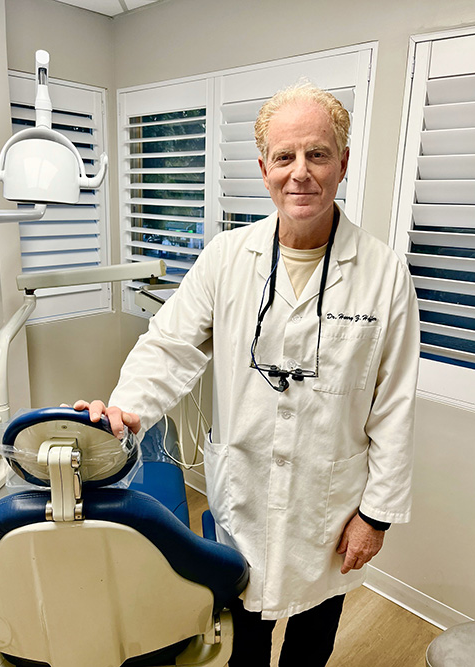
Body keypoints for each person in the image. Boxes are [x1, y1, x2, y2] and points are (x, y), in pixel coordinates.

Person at [75, 82, 419, 666]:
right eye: (284, 157)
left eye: (317, 154)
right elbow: (169, 344)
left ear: (343, 163)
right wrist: (126, 407)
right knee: (243, 641)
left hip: (330, 505)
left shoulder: (383, 273)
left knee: (312, 642)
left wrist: (376, 515)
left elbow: (394, 404)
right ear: (264, 169)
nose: (300, 173)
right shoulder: (227, 258)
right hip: (247, 491)